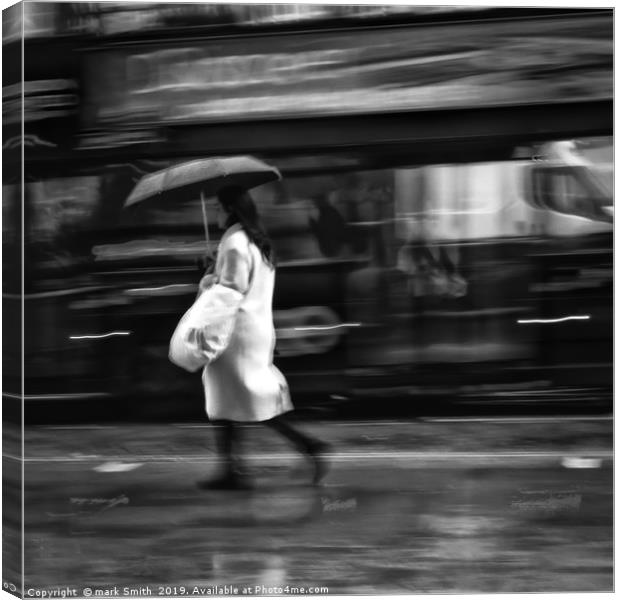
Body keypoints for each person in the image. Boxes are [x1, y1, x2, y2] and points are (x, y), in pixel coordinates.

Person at [196, 185, 329, 490]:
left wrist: (206, 279)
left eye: (218, 207)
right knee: (233, 400)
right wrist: (214, 271)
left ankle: (305, 446)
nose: (215, 213)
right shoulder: (258, 242)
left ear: (230, 209)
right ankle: (234, 469)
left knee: (236, 400)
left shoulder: (233, 243)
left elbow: (230, 293)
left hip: (233, 334)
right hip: (254, 331)